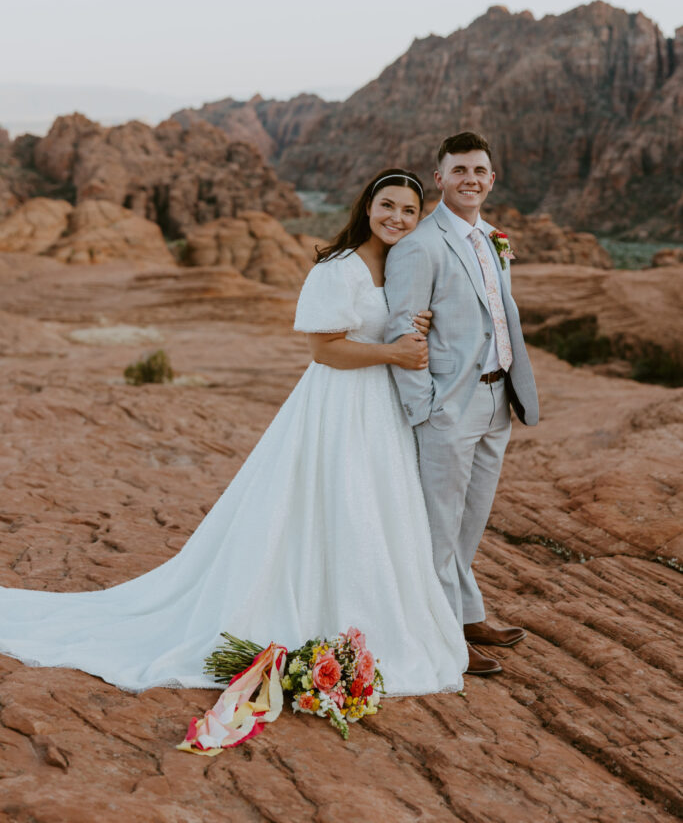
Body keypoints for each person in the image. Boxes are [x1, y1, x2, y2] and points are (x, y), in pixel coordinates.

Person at [0, 169, 468, 696]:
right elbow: (323, 349)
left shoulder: (403, 268)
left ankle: (373, 619)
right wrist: (392, 352)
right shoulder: (338, 270)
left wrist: (416, 330)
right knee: (332, 500)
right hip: (339, 405)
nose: (396, 218)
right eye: (387, 206)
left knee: (376, 507)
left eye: (409, 211)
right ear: (367, 207)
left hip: (381, 411)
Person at [385, 133, 539, 676]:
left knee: (471, 520)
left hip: (499, 398)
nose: (470, 179)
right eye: (459, 171)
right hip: (449, 406)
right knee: (439, 524)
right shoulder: (419, 246)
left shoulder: (494, 238)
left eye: (480, 171)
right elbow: (403, 328)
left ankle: (467, 612)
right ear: (440, 177)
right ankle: (441, 634)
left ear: (491, 179)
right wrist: (424, 409)